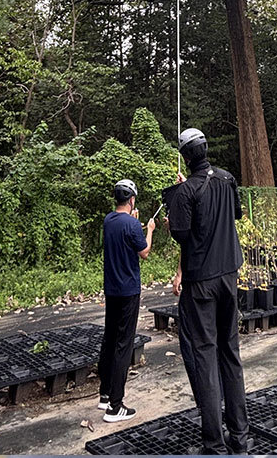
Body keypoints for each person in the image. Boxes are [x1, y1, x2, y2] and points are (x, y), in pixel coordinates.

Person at [165, 128, 249, 454]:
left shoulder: (186, 192)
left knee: (204, 357)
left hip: (201, 282)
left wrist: (176, 211)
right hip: (230, 275)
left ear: (185, 157)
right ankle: (239, 439)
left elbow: (182, 235)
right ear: (206, 149)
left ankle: (214, 444)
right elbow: (235, 213)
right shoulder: (227, 180)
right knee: (231, 353)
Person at [97, 179, 155, 423]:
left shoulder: (109, 221)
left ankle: (105, 393)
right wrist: (149, 230)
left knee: (110, 339)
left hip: (111, 290)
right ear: (132, 199)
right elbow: (144, 252)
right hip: (128, 291)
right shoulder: (132, 224)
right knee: (123, 345)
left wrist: (135, 223)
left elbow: (125, 232)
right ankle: (115, 406)